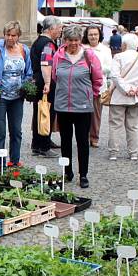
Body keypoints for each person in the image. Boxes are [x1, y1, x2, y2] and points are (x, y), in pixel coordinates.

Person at [49, 24, 103, 188]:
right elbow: (55, 77)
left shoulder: (89, 56)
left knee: (82, 142)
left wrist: (90, 95)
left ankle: (83, 174)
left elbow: (98, 79)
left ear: (81, 40)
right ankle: (67, 172)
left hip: (82, 107)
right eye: (70, 40)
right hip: (63, 106)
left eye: (76, 40)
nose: (73, 43)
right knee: (65, 141)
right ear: (65, 40)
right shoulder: (59, 56)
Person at [0, 21, 33, 167]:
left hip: (17, 98)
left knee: (16, 131)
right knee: (0, 132)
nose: (10, 38)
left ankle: (14, 162)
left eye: (13, 35)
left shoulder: (24, 51)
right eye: (7, 35)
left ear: (19, 36)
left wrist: (27, 85)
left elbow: (29, 72)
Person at [108, 33, 138, 161]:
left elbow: (115, 76)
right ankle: (133, 153)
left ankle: (113, 152)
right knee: (133, 125)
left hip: (119, 97)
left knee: (115, 125)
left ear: (124, 44)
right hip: (135, 98)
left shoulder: (118, 57)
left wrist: (126, 89)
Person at [30, 16, 62, 157]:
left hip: (38, 80)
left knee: (39, 112)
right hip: (45, 82)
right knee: (47, 113)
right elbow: (46, 64)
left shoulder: (37, 41)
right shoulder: (48, 44)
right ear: (52, 28)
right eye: (59, 28)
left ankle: (37, 144)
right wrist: (48, 82)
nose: (60, 30)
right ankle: (44, 145)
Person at [83, 25, 113, 147]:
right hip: (83, 85)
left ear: (99, 35)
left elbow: (109, 68)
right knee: (83, 112)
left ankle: (94, 137)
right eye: (90, 34)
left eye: (95, 34)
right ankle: (83, 135)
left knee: (96, 113)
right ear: (87, 36)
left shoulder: (105, 50)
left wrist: (95, 68)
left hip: (98, 85)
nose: (93, 36)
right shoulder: (83, 48)